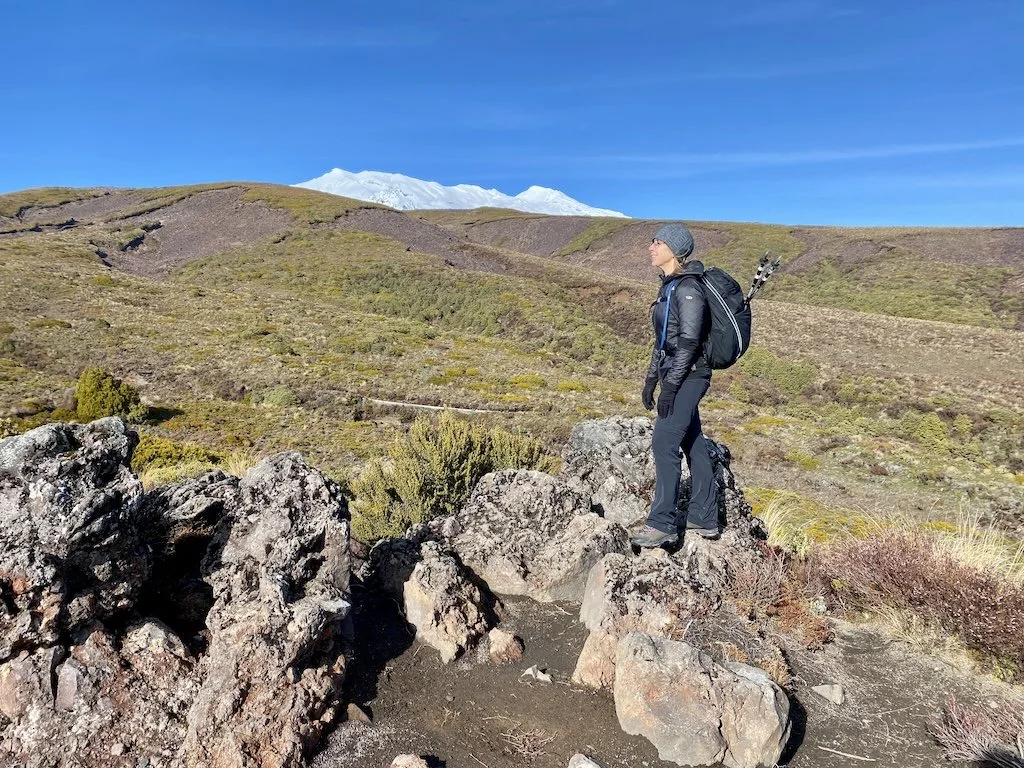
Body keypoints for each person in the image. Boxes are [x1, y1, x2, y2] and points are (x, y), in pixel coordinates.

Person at [631, 223, 720, 548]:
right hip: (675, 374)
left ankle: (663, 523)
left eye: (657, 242)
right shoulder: (669, 287)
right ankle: (703, 516)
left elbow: (688, 342)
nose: (651, 247)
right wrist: (651, 380)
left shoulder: (688, 289)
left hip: (691, 375)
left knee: (664, 442)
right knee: (692, 442)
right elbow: (663, 342)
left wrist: (669, 388)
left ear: (674, 248)